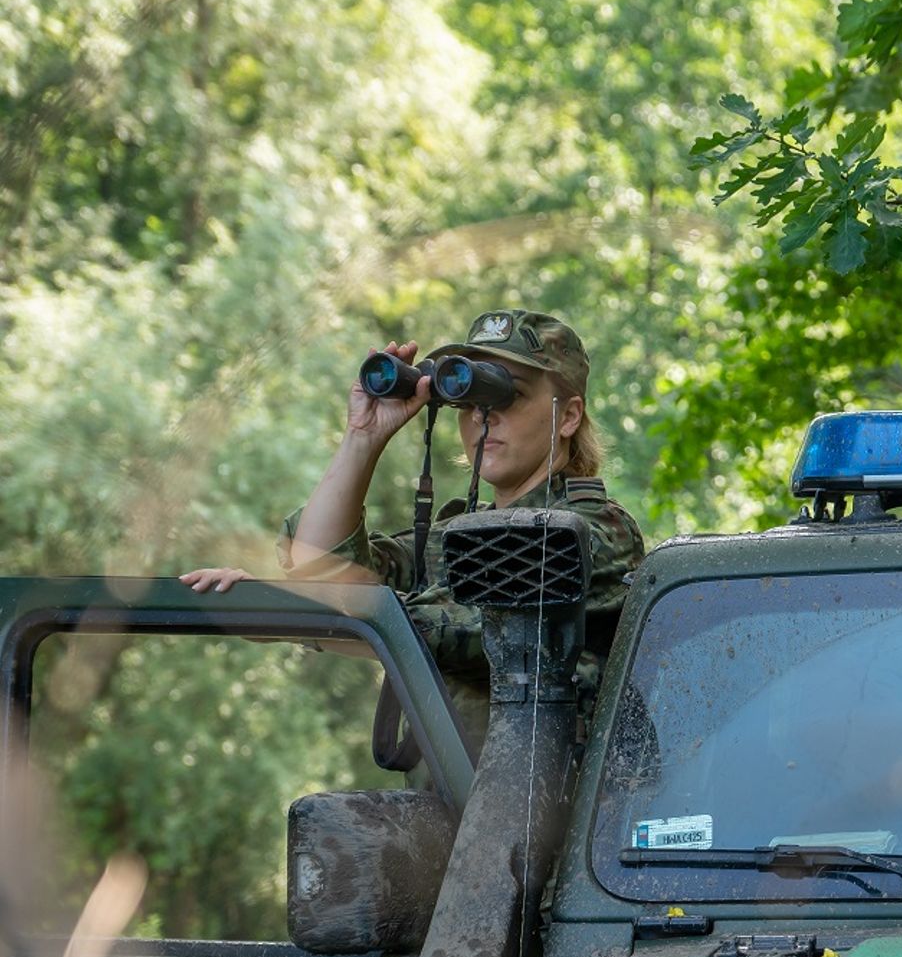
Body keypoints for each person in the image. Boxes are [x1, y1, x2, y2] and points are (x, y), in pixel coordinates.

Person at [182, 308, 645, 755]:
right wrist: (363, 436)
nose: (484, 416)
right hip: (453, 814)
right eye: (468, 400)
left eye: (509, 395)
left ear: (568, 417)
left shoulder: (592, 531)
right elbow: (319, 564)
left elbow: (461, 626)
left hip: (565, 821)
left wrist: (285, 611)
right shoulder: (455, 535)